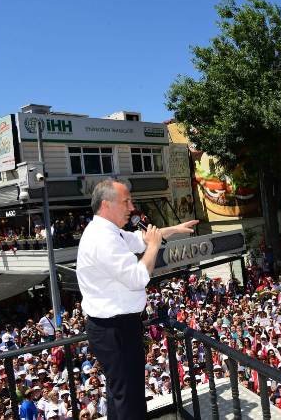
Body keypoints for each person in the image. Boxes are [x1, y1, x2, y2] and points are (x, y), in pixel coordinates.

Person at [76, 179, 197, 420]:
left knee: (120, 393)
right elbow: (139, 277)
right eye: (126, 202)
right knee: (128, 398)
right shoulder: (103, 239)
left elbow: (138, 239)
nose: (131, 207)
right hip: (114, 329)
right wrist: (154, 247)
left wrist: (171, 229)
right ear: (106, 205)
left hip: (116, 327)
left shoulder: (107, 231)